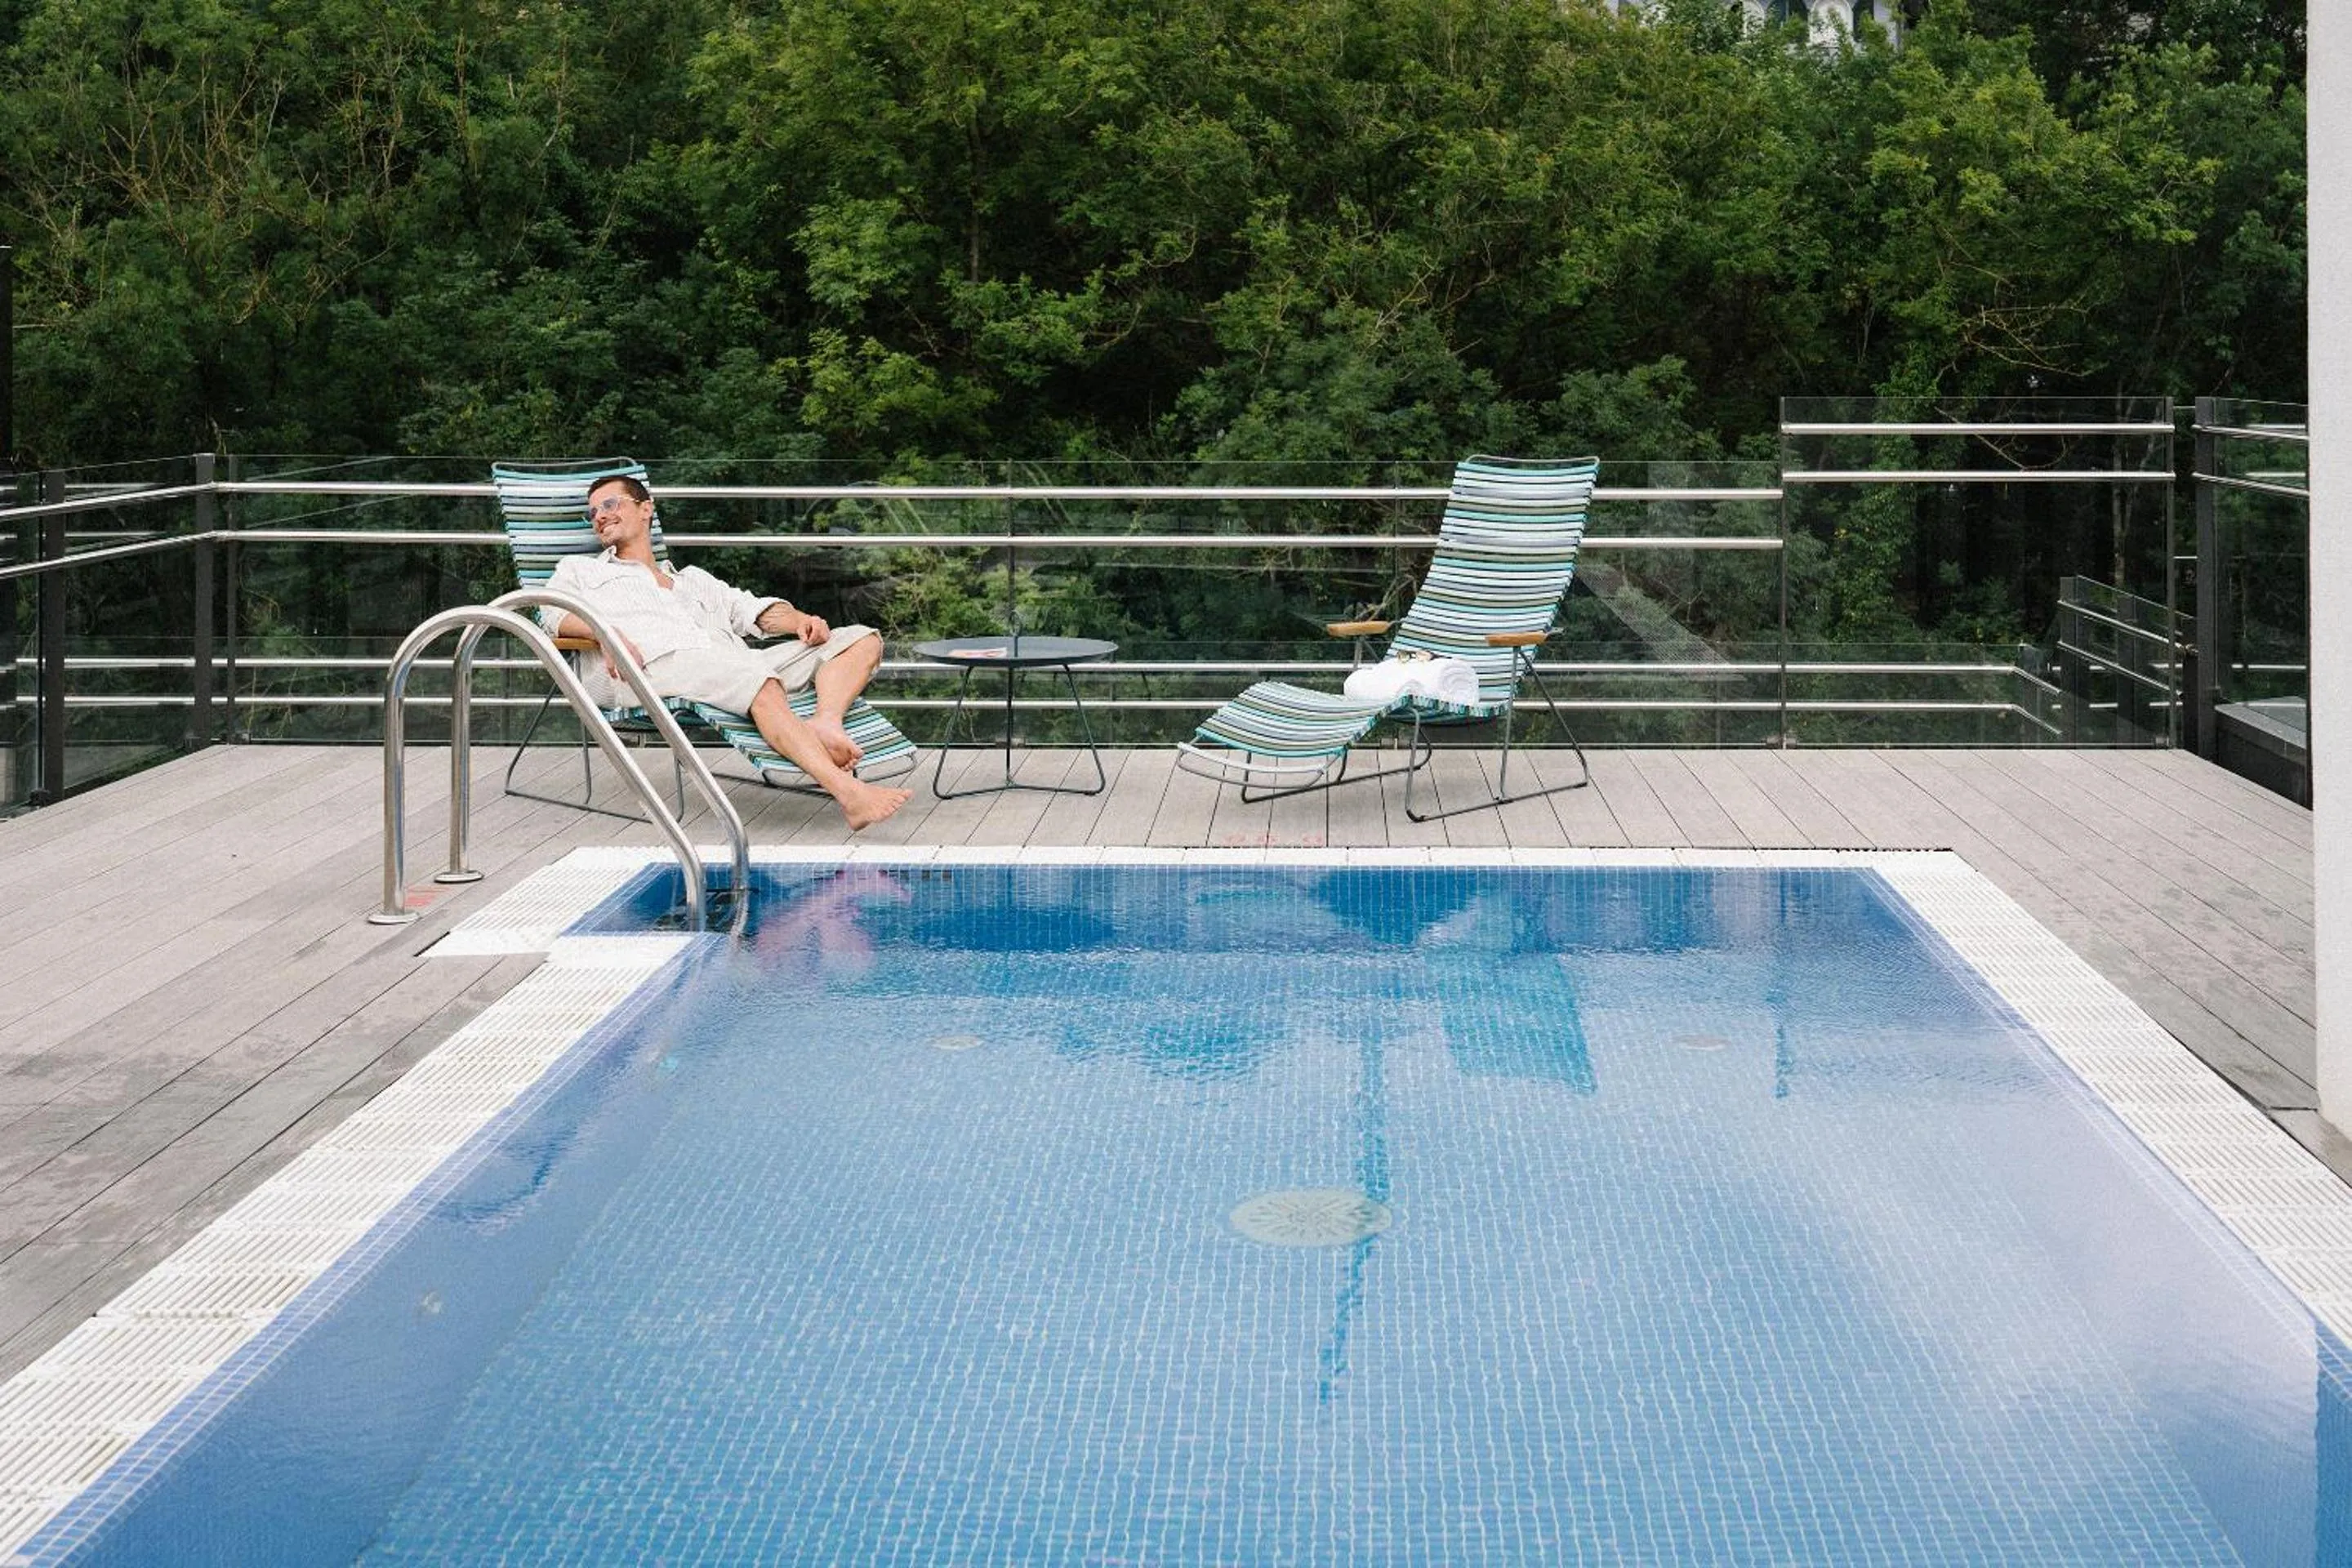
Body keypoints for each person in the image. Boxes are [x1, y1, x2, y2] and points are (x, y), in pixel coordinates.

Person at [539, 473, 911, 831]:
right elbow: (551, 613)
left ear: (646, 508)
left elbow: (752, 610)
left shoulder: (693, 580)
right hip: (646, 668)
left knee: (861, 639)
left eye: (609, 503)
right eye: (592, 512)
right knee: (756, 680)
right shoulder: (581, 571)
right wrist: (607, 635)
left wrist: (798, 619)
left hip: (728, 663)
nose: (599, 516)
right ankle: (849, 794)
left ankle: (827, 721)